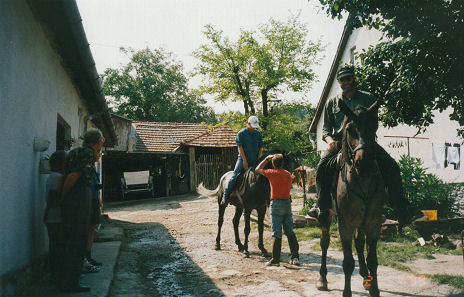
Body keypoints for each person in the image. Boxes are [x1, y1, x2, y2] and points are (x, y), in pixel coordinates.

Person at [314, 65, 424, 228]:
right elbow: (325, 129)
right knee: (321, 166)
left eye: (349, 78)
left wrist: (364, 136)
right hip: (339, 143)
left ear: (354, 79)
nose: (346, 82)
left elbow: (374, 122)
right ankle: (322, 207)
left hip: (365, 142)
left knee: (391, 165)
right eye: (342, 80)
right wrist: (330, 140)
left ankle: (401, 207)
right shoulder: (332, 102)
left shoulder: (368, 98)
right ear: (338, 82)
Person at [59, 128, 104, 292]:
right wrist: (63, 196)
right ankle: (71, 282)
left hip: (73, 196)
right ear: (97, 141)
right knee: (78, 241)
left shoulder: (74, 152)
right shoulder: (88, 154)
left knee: (71, 240)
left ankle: (66, 280)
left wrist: (62, 195)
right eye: (101, 141)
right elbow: (74, 176)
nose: (102, 144)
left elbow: (65, 175)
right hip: (79, 196)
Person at [256, 154, 299, 266]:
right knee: (290, 231)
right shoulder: (288, 174)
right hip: (287, 203)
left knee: (276, 232)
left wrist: (266, 159)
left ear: (274, 164)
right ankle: (295, 257)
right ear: (283, 163)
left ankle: (276, 259)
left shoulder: (272, 173)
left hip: (276, 204)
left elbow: (257, 169)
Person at [221, 115, 263, 205]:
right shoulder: (241, 134)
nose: (253, 129)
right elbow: (240, 148)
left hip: (255, 159)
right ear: (248, 124)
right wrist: (244, 161)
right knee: (234, 176)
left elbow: (260, 148)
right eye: (252, 126)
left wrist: (259, 159)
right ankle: (225, 196)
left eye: (255, 127)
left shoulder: (258, 134)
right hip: (242, 159)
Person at [43, 150, 66, 286]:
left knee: (55, 246)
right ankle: (58, 276)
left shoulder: (52, 176)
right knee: (59, 248)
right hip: (57, 217)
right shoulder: (58, 177)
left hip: (50, 217)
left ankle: (55, 275)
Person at [82, 165, 103, 273]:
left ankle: (88, 256)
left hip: (94, 199)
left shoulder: (93, 168)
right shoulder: (86, 167)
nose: (99, 154)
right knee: (87, 229)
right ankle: (85, 258)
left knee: (92, 229)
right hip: (88, 199)